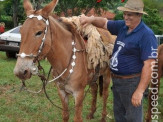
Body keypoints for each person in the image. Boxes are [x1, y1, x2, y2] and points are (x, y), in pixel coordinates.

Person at [79, 0, 158, 121]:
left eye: (130, 14)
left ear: (139, 15)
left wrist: (140, 91)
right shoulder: (123, 26)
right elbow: (104, 23)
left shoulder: (146, 35)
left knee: (133, 118)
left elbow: (150, 64)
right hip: (117, 82)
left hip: (132, 83)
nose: (126, 17)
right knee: (119, 116)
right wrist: (90, 20)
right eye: (125, 13)